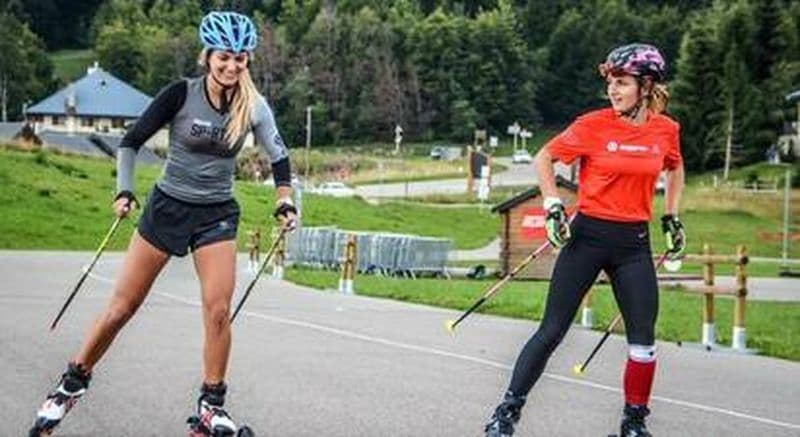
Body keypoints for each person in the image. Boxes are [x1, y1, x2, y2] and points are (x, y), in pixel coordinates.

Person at [29, 11, 297, 436]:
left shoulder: (254, 106)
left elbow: (280, 158)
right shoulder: (180, 94)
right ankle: (69, 385)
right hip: (167, 207)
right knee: (122, 307)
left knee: (218, 310)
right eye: (224, 57)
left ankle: (211, 405)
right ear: (207, 57)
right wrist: (124, 190)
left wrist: (284, 201)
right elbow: (130, 141)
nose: (232, 66)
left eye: (240, 58)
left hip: (216, 214)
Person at [484, 43, 686, 437]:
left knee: (643, 341)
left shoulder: (666, 130)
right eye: (611, 82)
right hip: (587, 238)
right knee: (552, 331)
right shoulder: (592, 125)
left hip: (634, 244)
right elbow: (544, 157)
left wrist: (671, 215)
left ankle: (633, 424)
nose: (613, 89)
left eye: (622, 82)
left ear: (646, 86)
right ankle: (505, 414)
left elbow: (675, 167)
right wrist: (553, 205)